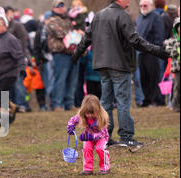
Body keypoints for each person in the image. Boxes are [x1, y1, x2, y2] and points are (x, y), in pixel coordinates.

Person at [72, 0, 170, 148]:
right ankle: (126, 136)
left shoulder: (98, 15)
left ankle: (105, 135)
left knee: (106, 102)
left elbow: (86, 38)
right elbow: (135, 40)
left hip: (102, 65)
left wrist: (75, 55)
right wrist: (158, 51)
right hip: (119, 64)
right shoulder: (122, 15)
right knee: (123, 101)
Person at [45, 0, 79, 112]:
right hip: (60, 54)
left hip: (73, 53)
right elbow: (60, 33)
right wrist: (75, 34)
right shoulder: (51, 21)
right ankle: (57, 104)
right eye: (58, 6)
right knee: (60, 80)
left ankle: (69, 104)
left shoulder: (70, 20)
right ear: (53, 8)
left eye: (63, 5)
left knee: (72, 80)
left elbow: (79, 31)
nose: (61, 8)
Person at [0, 15, 23, 120]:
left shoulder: (11, 39)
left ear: (5, 26)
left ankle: (3, 119)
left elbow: (19, 55)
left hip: (8, 74)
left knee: (1, 96)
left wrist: (22, 68)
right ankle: (11, 107)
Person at [67, 95, 110, 175]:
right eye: (87, 113)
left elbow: (102, 133)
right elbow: (72, 120)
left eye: (92, 113)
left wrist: (91, 136)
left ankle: (105, 167)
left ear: (97, 111)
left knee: (100, 149)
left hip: (101, 138)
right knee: (87, 149)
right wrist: (71, 126)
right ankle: (87, 168)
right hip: (88, 137)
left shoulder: (102, 117)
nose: (90, 115)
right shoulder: (82, 115)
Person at [136, 0, 166, 107]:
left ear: (151, 5)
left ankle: (155, 99)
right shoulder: (139, 18)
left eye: (145, 5)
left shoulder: (156, 17)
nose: (143, 7)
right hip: (141, 52)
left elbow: (160, 35)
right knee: (143, 77)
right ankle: (147, 99)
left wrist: (155, 48)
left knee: (153, 77)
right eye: (141, 5)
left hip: (152, 52)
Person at [3, 6, 32, 112]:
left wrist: (22, 56)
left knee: (19, 83)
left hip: (17, 58)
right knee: (9, 84)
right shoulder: (2, 26)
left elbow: (24, 42)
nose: (10, 15)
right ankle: (11, 105)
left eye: (11, 12)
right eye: (8, 13)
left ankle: (21, 105)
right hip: (5, 60)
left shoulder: (17, 25)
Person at [164, 16, 180, 112]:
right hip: (177, 68)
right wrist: (176, 50)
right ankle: (175, 105)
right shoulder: (172, 40)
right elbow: (168, 50)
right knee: (177, 86)